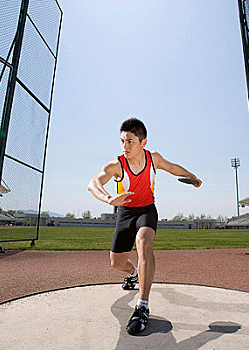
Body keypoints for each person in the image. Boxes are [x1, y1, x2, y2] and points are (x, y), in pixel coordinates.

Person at [88, 118, 202, 335]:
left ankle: (142, 306)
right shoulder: (116, 164)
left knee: (144, 242)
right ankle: (133, 273)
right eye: (122, 141)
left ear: (143, 142)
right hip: (125, 213)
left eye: (130, 141)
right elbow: (93, 182)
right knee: (116, 262)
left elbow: (172, 167)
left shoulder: (153, 158)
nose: (125, 146)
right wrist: (108, 198)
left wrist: (192, 176)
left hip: (147, 211)